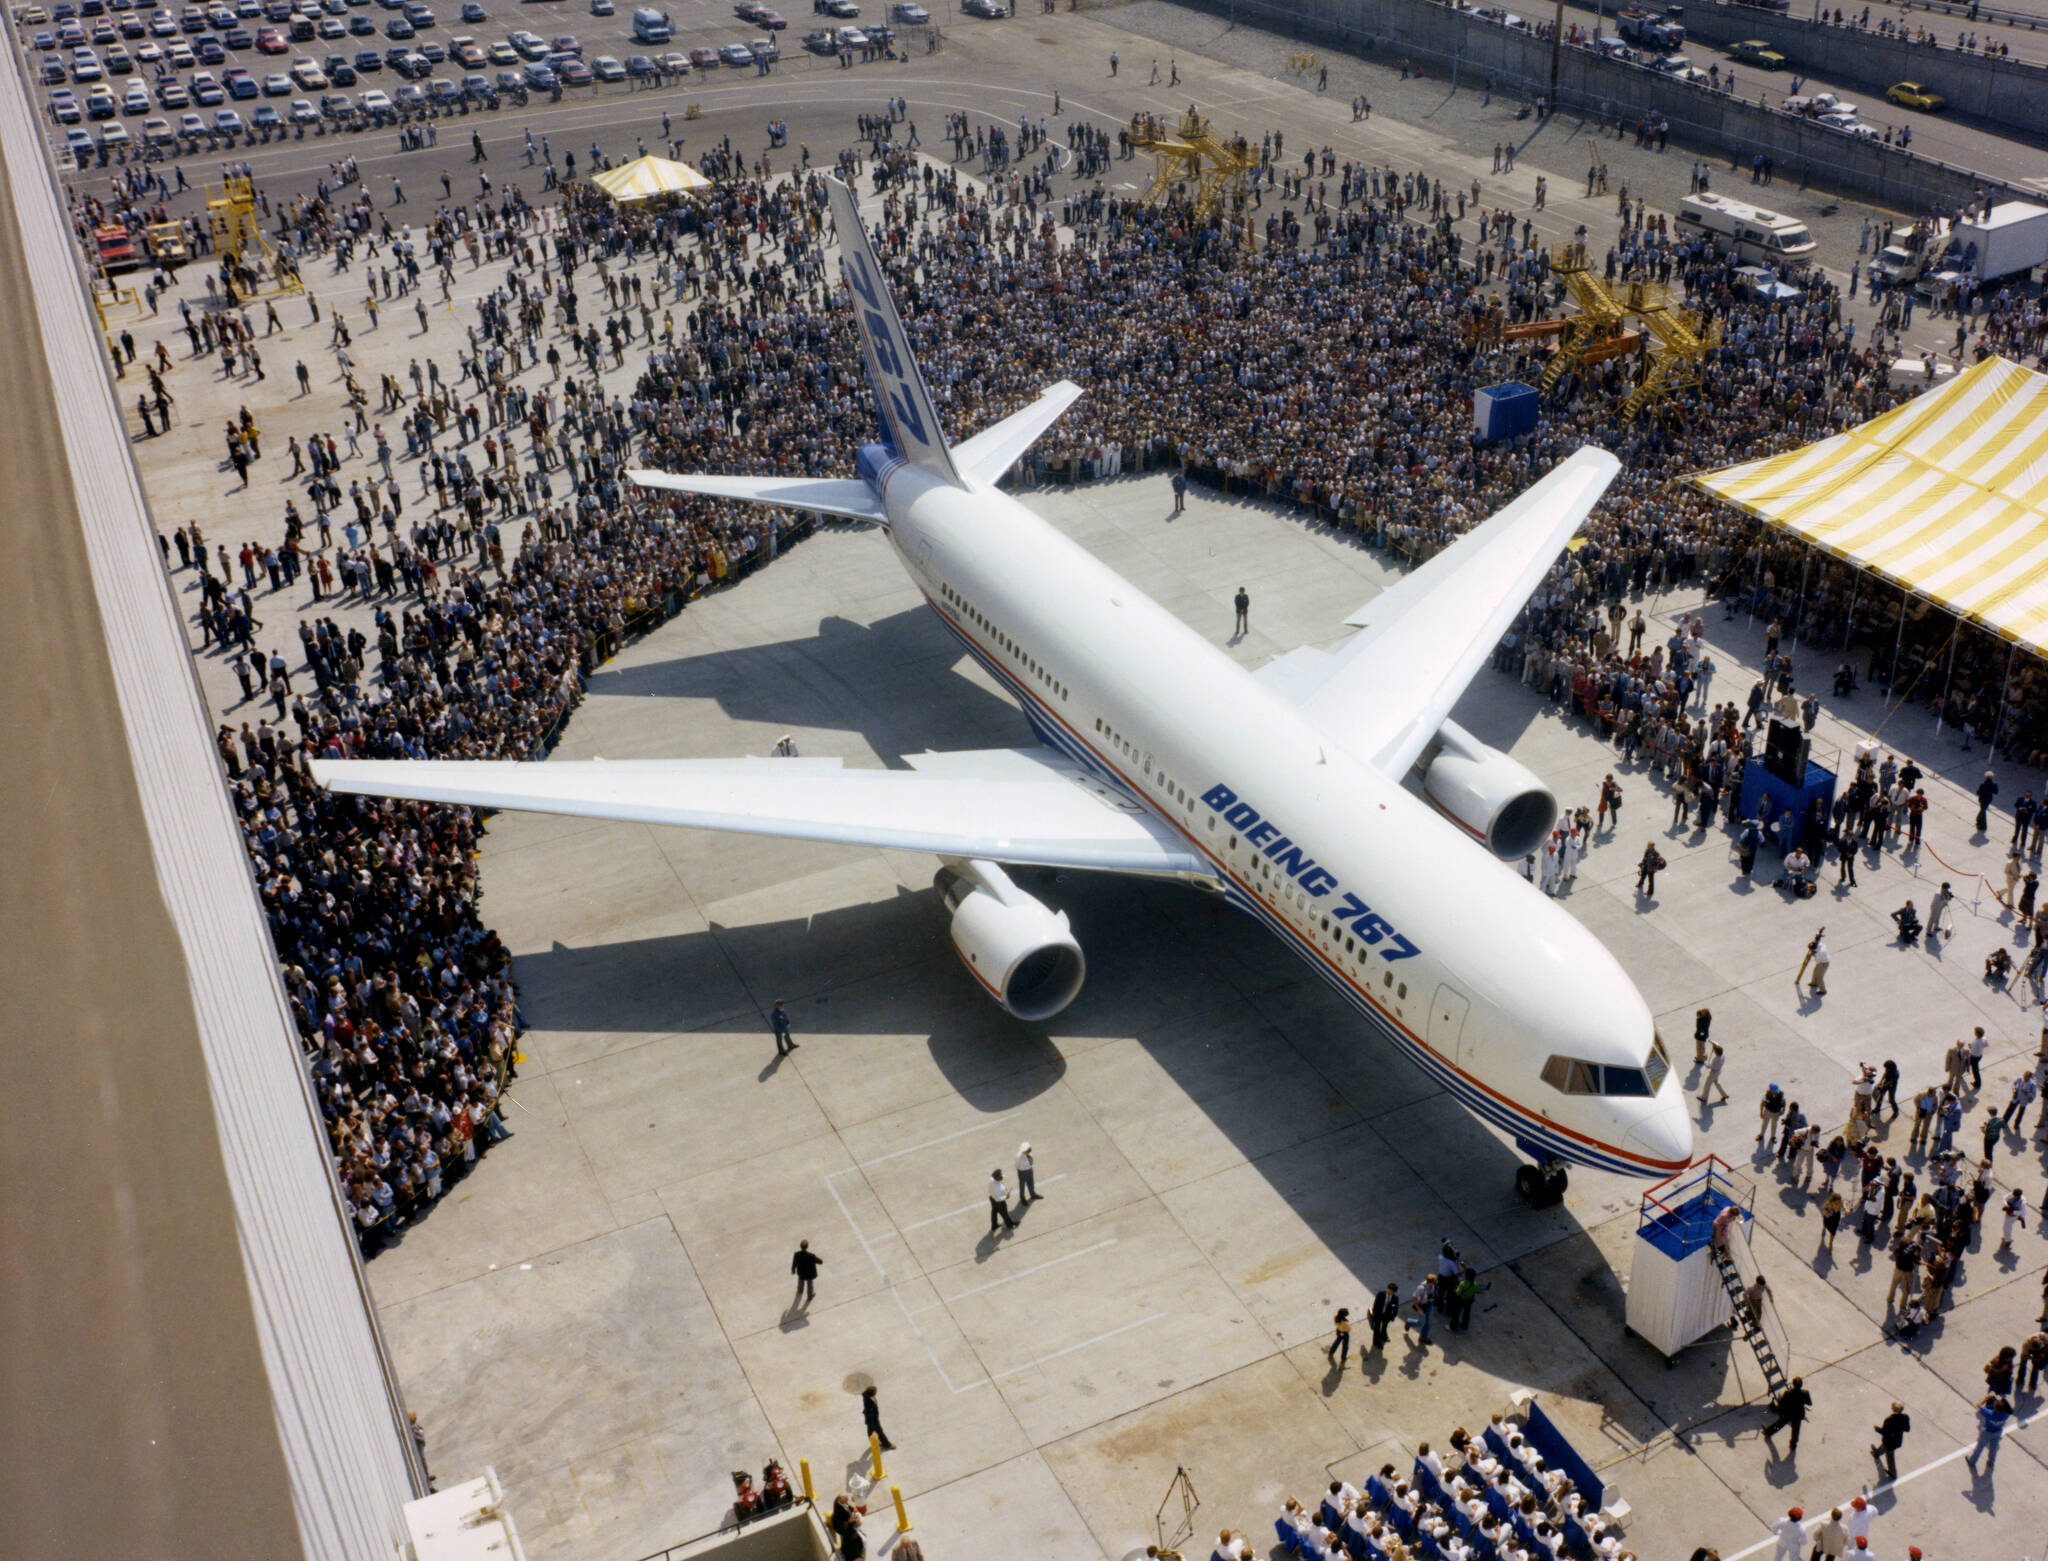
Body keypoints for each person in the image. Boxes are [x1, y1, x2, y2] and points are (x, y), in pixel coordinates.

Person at [1761, 1376, 1812, 1455]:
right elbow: (1809, 1403)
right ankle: (1793, 1445)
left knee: (1779, 1424)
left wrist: (1780, 1397)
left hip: (1788, 1413)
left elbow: (1781, 1403)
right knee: (1796, 1431)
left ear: (1793, 1384)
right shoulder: (1805, 1393)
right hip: (1798, 1414)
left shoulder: (1788, 1393)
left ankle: (1768, 1432)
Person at [1964, 1391, 2011, 1475]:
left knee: (1980, 1447)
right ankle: (1991, 1462)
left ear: (1995, 1408)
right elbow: (2009, 1408)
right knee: (1993, 1448)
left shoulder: (1990, 1413)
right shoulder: (2006, 1414)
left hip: (1987, 1432)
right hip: (1998, 1432)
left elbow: (1979, 1405)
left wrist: (1987, 1397)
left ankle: (1972, 1461)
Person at [860, 1384, 894, 1453]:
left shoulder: (865, 1396)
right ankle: (887, 1444)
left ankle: (872, 1440)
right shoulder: (870, 1405)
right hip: (873, 1420)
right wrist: (873, 1429)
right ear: (872, 1394)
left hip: (869, 1419)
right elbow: (871, 1416)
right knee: (879, 1432)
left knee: (869, 1430)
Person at [1368, 1281, 1400, 1351]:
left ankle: (1383, 1336)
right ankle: (1376, 1342)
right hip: (1378, 1314)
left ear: (1394, 1292)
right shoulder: (1380, 1294)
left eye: (1391, 1291)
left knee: (1384, 1327)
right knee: (1377, 1329)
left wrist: (1393, 1317)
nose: (1389, 1291)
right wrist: (1374, 1314)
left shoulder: (1395, 1298)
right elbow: (1375, 1304)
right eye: (1389, 1289)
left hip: (1387, 1316)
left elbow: (1395, 1308)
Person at [791, 1239, 822, 1307]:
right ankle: (809, 1296)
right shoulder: (811, 1256)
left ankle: (800, 1291)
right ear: (807, 1247)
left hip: (801, 1273)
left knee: (800, 1282)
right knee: (809, 1285)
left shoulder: (797, 1254)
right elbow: (819, 1261)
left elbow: (794, 1263)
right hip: (809, 1274)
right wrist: (820, 1261)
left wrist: (793, 1270)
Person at [988, 1168, 1017, 1232]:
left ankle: (994, 1225)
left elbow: (994, 1178)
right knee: (1004, 1213)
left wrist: (1003, 1188)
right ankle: (1010, 1225)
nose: (1002, 1178)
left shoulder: (992, 1180)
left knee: (994, 1212)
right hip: (998, 1201)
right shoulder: (996, 1187)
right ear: (997, 1178)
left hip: (992, 1198)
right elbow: (998, 1199)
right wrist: (1006, 1197)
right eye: (1000, 1177)